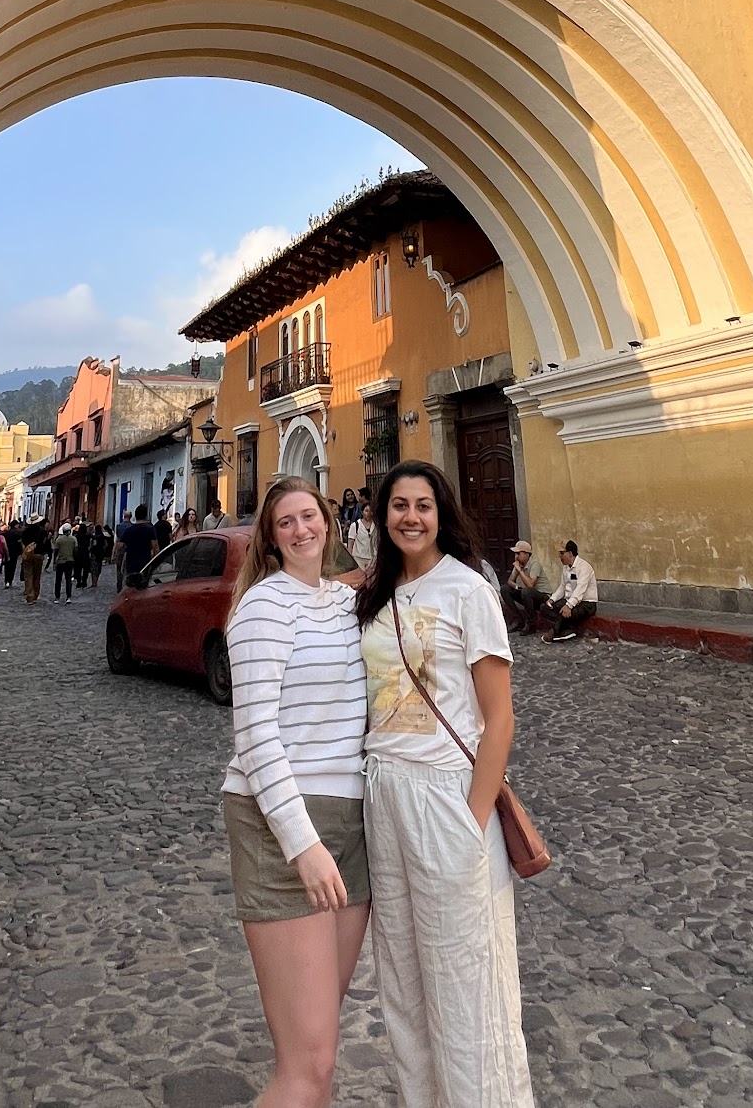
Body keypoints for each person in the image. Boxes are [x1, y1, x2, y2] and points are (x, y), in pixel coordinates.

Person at [357, 460, 534, 1108]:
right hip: (386, 796)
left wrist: (473, 818)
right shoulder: (375, 595)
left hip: (445, 798)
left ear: (441, 514)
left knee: (464, 982)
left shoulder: (467, 591)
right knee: (401, 979)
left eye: (422, 505)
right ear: (381, 516)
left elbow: (500, 718)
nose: (409, 516)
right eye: (398, 505)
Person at [223, 476, 370, 1108]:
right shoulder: (262, 607)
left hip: (353, 824)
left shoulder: (344, 601)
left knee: (321, 1050)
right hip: (286, 827)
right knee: (306, 1070)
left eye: (310, 516)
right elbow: (256, 737)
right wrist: (303, 845)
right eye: (286, 522)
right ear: (271, 539)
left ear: (328, 523)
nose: (302, 529)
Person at [542, 540, 598, 642]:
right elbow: (562, 587)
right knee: (544, 608)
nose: (559, 556)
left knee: (570, 611)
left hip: (586, 603)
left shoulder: (584, 567)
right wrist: (552, 599)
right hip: (569, 600)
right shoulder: (565, 568)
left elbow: (580, 589)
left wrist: (569, 605)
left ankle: (554, 631)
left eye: (562, 553)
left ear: (570, 553)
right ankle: (567, 630)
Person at [502, 540, 545, 634]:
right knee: (505, 589)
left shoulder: (534, 564)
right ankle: (518, 620)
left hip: (543, 596)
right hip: (528, 595)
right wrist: (516, 587)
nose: (516, 557)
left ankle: (531, 624)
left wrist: (520, 571)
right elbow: (510, 581)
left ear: (527, 554)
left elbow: (530, 585)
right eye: (515, 554)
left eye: (518, 553)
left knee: (526, 591)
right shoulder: (519, 564)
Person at [120, 504, 159, 584]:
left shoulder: (129, 530)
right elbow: (155, 547)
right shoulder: (150, 529)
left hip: (131, 564)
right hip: (145, 563)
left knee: (131, 585)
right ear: (146, 515)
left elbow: (121, 546)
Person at [20, 518, 47, 604]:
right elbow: (45, 542)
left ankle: (30, 595)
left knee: (28, 575)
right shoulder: (42, 531)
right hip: (39, 554)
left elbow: (22, 542)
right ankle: (36, 593)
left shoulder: (25, 531)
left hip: (28, 554)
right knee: (37, 575)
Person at [347, 500, 377, 571]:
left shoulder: (376, 526)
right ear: (362, 512)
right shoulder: (355, 525)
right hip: (358, 558)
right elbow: (350, 544)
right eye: (366, 511)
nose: (369, 513)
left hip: (372, 558)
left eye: (371, 511)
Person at [53, 520, 78, 602]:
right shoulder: (73, 539)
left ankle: (57, 597)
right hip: (70, 561)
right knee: (68, 580)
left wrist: (54, 562)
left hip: (60, 561)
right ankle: (68, 597)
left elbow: (56, 551)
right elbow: (75, 550)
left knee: (58, 580)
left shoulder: (59, 540)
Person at [3, 521, 22, 589]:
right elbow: (19, 543)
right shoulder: (18, 533)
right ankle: (10, 580)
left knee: (7, 567)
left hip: (7, 551)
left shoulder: (7, 533)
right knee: (13, 566)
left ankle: (6, 581)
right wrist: (20, 552)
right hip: (15, 552)